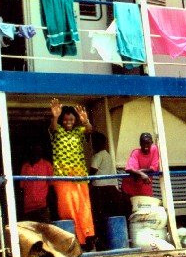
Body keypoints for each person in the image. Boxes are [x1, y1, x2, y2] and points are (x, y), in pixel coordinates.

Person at [48, 98, 95, 248]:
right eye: (66, 119)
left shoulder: (78, 132)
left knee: (83, 208)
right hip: (63, 177)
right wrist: (55, 116)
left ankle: (86, 239)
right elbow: (53, 127)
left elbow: (89, 130)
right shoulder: (58, 131)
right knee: (67, 209)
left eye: (72, 119)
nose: (69, 121)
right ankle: (72, 240)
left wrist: (86, 121)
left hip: (80, 176)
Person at [89, 131, 124, 244]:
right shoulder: (108, 155)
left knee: (99, 216)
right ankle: (111, 240)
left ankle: (102, 241)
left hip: (100, 189)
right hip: (111, 188)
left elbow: (92, 172)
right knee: (110, 214)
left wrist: (86, 184)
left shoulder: (98, 156)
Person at [19, 142, 53, 223]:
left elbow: (51, 186)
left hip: (42, 207)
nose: (35, 151)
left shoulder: (47, 165)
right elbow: (22, 187)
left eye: (38, 149)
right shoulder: (25, 166)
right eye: (33, 149)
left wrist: (48, 206)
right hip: (28, 208)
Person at [122, 133, 160, 198]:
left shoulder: (155, 149)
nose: (146, 146)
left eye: (148, 143)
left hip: (145, 186)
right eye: (143, 143)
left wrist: (140, 171)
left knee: (147, 206)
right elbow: (129, 169)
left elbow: (154, 168)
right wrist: (142, 174)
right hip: (129, 188)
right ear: (140, 143)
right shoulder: (135, 152)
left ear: (152, 143)